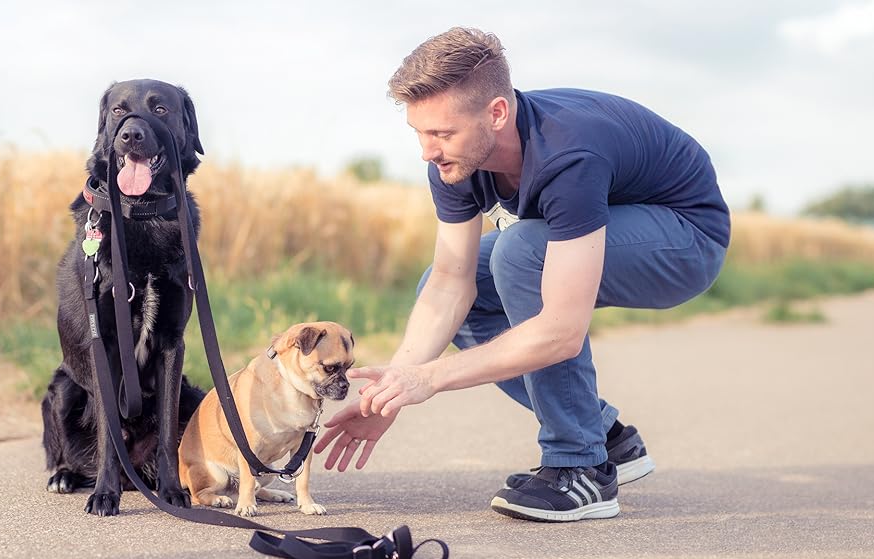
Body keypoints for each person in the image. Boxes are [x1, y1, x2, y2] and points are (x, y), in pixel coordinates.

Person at [312, 27, 730, 522]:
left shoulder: (568, 152)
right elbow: (451, 284)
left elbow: (561, 332)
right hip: (600, 231)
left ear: (497, 113)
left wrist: (432, 377)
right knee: (452, 286)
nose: (428, 151)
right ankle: (603, 434)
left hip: (685, 239)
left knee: (519, 252)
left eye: (442, 134)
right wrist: (393, 393)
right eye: (419, 133)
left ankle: (581, 466)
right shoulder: (454, 162)